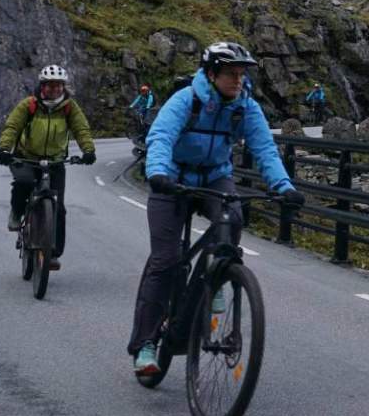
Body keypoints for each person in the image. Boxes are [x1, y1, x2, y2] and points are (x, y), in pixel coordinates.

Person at [128, 41, 304, 379]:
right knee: (165, 261)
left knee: (233, 217)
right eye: (231, 74)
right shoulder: (186, 100)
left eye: (241, 74)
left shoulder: (245, 107)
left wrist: (284, 187)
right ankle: (145, 345)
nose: (238, 80)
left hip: (214, 176)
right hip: (173, 178)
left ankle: (216, 277)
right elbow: (161, 136)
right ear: (211, 74)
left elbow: (264, 148)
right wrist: (158, 173)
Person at [0, 64, 96, 270]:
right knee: (24, 182)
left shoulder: (69, 107)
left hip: (55, 161)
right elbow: (12, 127)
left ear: (63, 87)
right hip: (27, 158)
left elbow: (81, 129)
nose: (54, 89)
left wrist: (88, 151)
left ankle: (53, 254)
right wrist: (5, 149)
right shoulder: (29, 105)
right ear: (42, 86)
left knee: (59, 208)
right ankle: (17, 212)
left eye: (58, 85)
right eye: (50, 85)